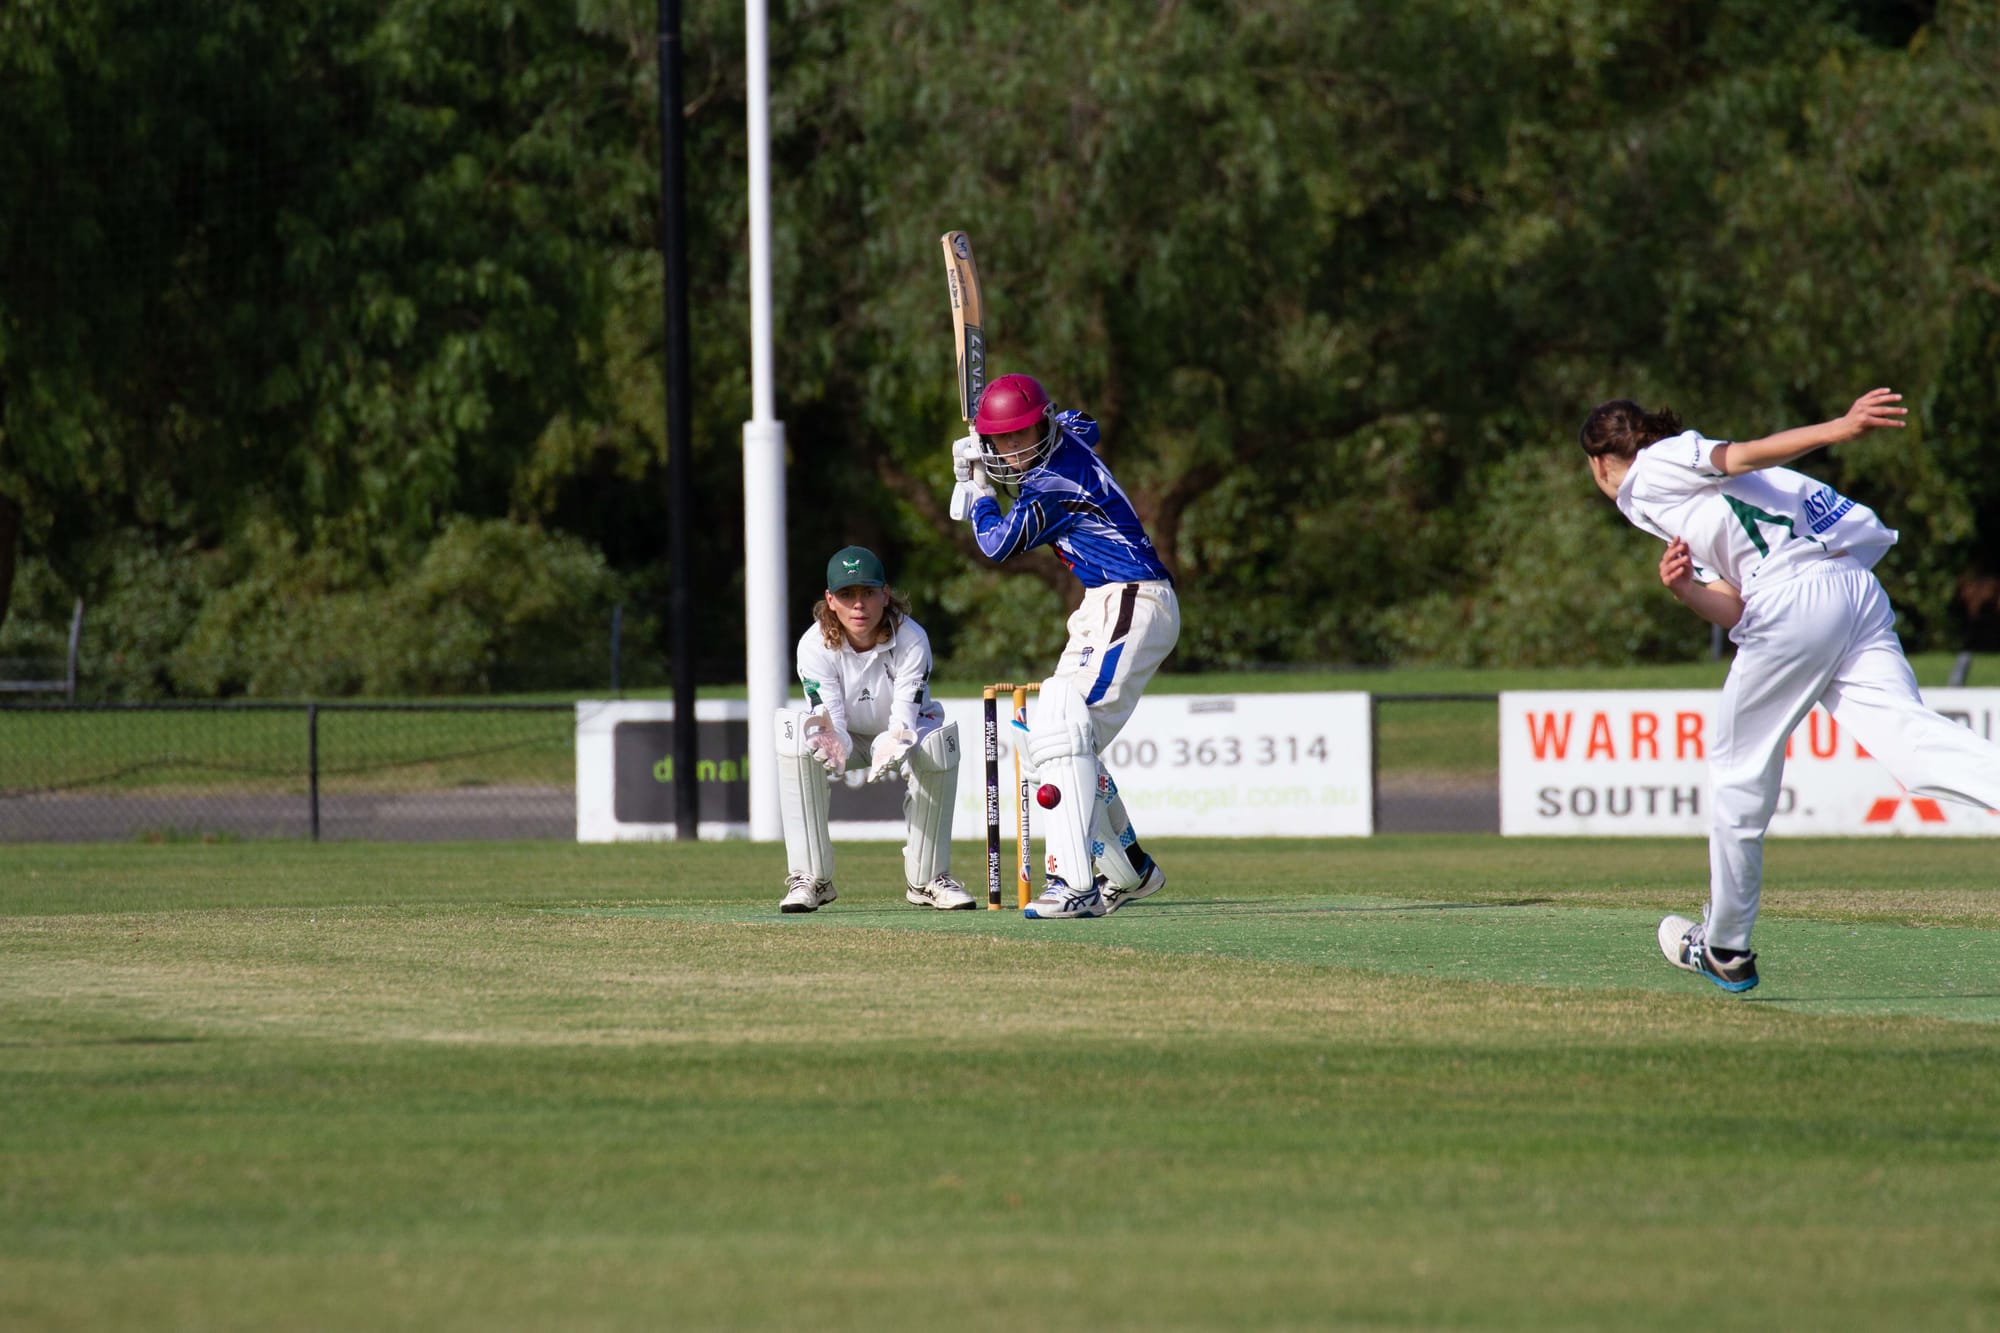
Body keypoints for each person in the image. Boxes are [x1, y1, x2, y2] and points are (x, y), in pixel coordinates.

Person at [1579, 387, 2000, 991]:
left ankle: (1724, 944)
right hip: (1851, 590)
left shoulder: (1654, 467)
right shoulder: (1686, 506)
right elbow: (1732, 605)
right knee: (1912, 746)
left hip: (1798, 599)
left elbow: (1740, 454)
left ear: (1598, 462)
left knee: (1736, 772)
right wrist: (1686, 593)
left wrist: (1840, 427)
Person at [950, 373, 1179, 920]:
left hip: (1133, 599)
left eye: (1024, 434)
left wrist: (980, 490)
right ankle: (1130, 869)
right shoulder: (1067, 433)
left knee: (1062, 732)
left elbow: (997, 544)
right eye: (1003, 440)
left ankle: (1074, 883)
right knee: (1043, 732)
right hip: (1102, 601)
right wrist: (992, 443)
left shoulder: (1053, 483)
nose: (1016, 448)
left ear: (1043, 425)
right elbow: (1088, 423)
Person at [774, 545, 974, 914]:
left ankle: (927, 879)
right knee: (793, 733)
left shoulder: (912, 639)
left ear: (885, 594)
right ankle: (811, 878)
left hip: (906, 730)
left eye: (868, 592)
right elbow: (829, 717)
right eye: (847, 595)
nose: (859, 606)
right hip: (845, 733)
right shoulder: (813, 645)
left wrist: (893, 739)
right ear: (830, 600)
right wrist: (833, 742)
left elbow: (904, 717)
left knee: (937, 745)